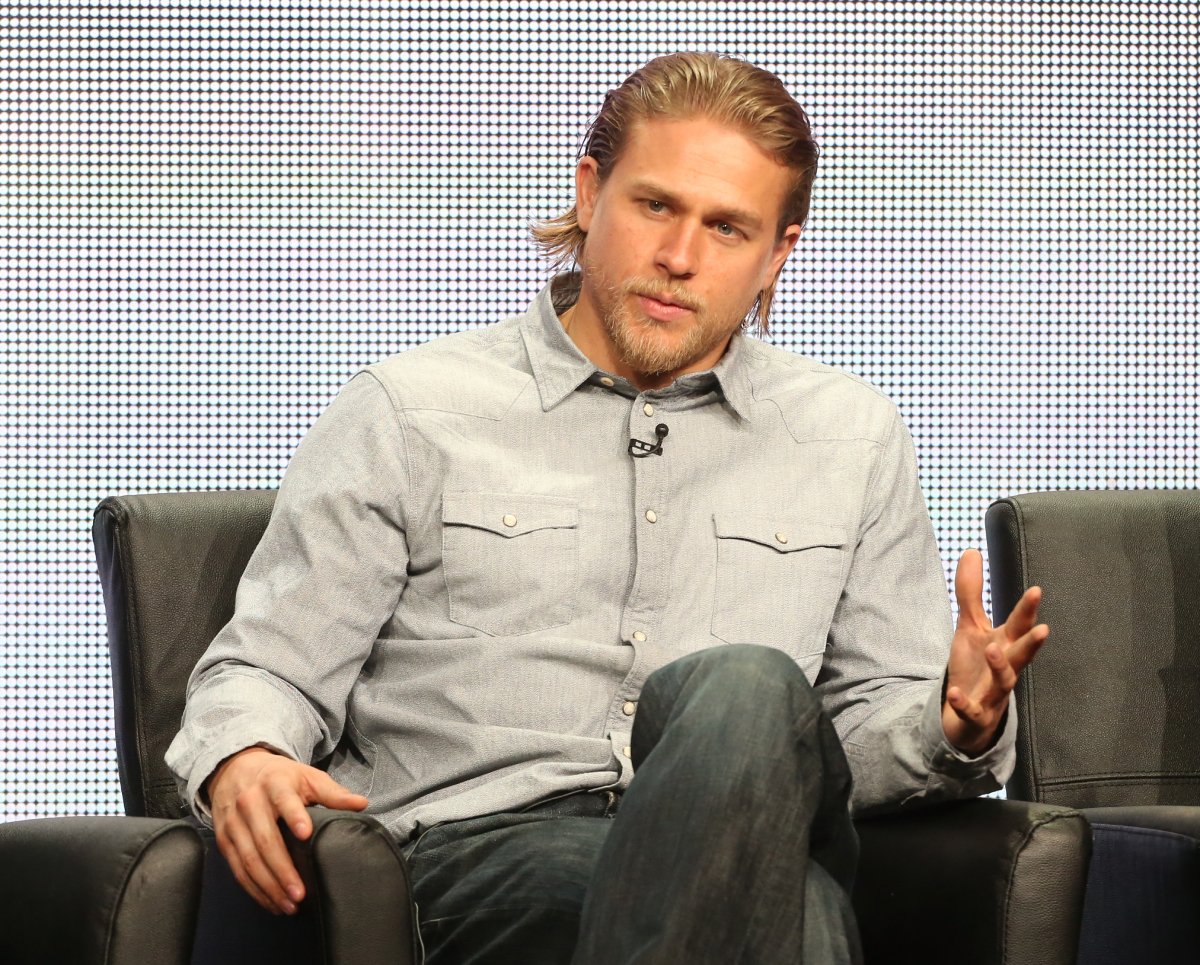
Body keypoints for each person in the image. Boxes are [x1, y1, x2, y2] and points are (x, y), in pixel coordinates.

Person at [167, 51, 1048, 963]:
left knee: (747, 691)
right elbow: (265, 669)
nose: (679, 258)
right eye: (656, 205)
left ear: (778, 252)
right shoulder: (413, 411)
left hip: (757, 838)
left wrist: (953, 722)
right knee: (804, 920)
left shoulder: (852, 438)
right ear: (591, 195)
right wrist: (245, 755)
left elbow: (860, 734)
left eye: (727, 228)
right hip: (480, 856)